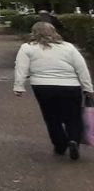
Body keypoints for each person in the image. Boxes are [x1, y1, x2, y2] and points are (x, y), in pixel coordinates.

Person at [13, 22, 94, 160]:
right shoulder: (68, 47)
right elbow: (81, 68)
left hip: (43, 87)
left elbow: (21, 68)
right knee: (73, 116)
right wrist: (88, 88)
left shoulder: (27, 48)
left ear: (34, 33)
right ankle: (73, 140)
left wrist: (19, 86)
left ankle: (60, 144)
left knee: (51, 117)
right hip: (70, 86)